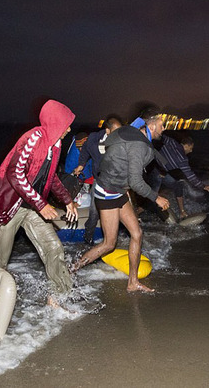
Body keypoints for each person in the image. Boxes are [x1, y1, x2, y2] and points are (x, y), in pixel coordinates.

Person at [72, 108, 170, 293]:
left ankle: (132, 282)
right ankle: (71, 270)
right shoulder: (139, 145)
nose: (163, 128)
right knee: (109, 244)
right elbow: (135, 181)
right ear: (153, 123)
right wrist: (156, 197)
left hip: (118, 191)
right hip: (108, 193)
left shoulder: (134, 133)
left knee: (137, 234)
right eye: (162, 124)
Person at [0, 99, 78, 299]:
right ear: (55, 122)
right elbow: (14, 173)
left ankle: (58, 298)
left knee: (53, 248)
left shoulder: (55, 145)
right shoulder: (33, 137)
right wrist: (41, 204)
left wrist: (67, 200)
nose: (69, 128)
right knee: (0, 261)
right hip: (10, 206)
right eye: (66, 123)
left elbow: (51, 176)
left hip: (32, 207)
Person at [72, 115, 123, 244]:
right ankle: (88, 238)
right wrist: (81, 165)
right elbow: (85, 152)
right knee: (94, 212)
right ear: (107, 130)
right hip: (99, 181)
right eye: (115, 132)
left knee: (121, 210)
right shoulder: (94, 139)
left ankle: (116, 238)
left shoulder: (121, 141)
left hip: (116, 181)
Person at [150, 135, 209, 220]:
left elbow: (159, 136)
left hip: (161, 171)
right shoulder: (182, 159)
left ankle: (182, 212)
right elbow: (191, 176)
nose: (191, 151)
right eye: (190, 148)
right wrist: (203, 186)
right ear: (186, 146)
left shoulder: (172, 142)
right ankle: (136, 213)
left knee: (178, 185)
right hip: (154, 171)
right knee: (152, 197)